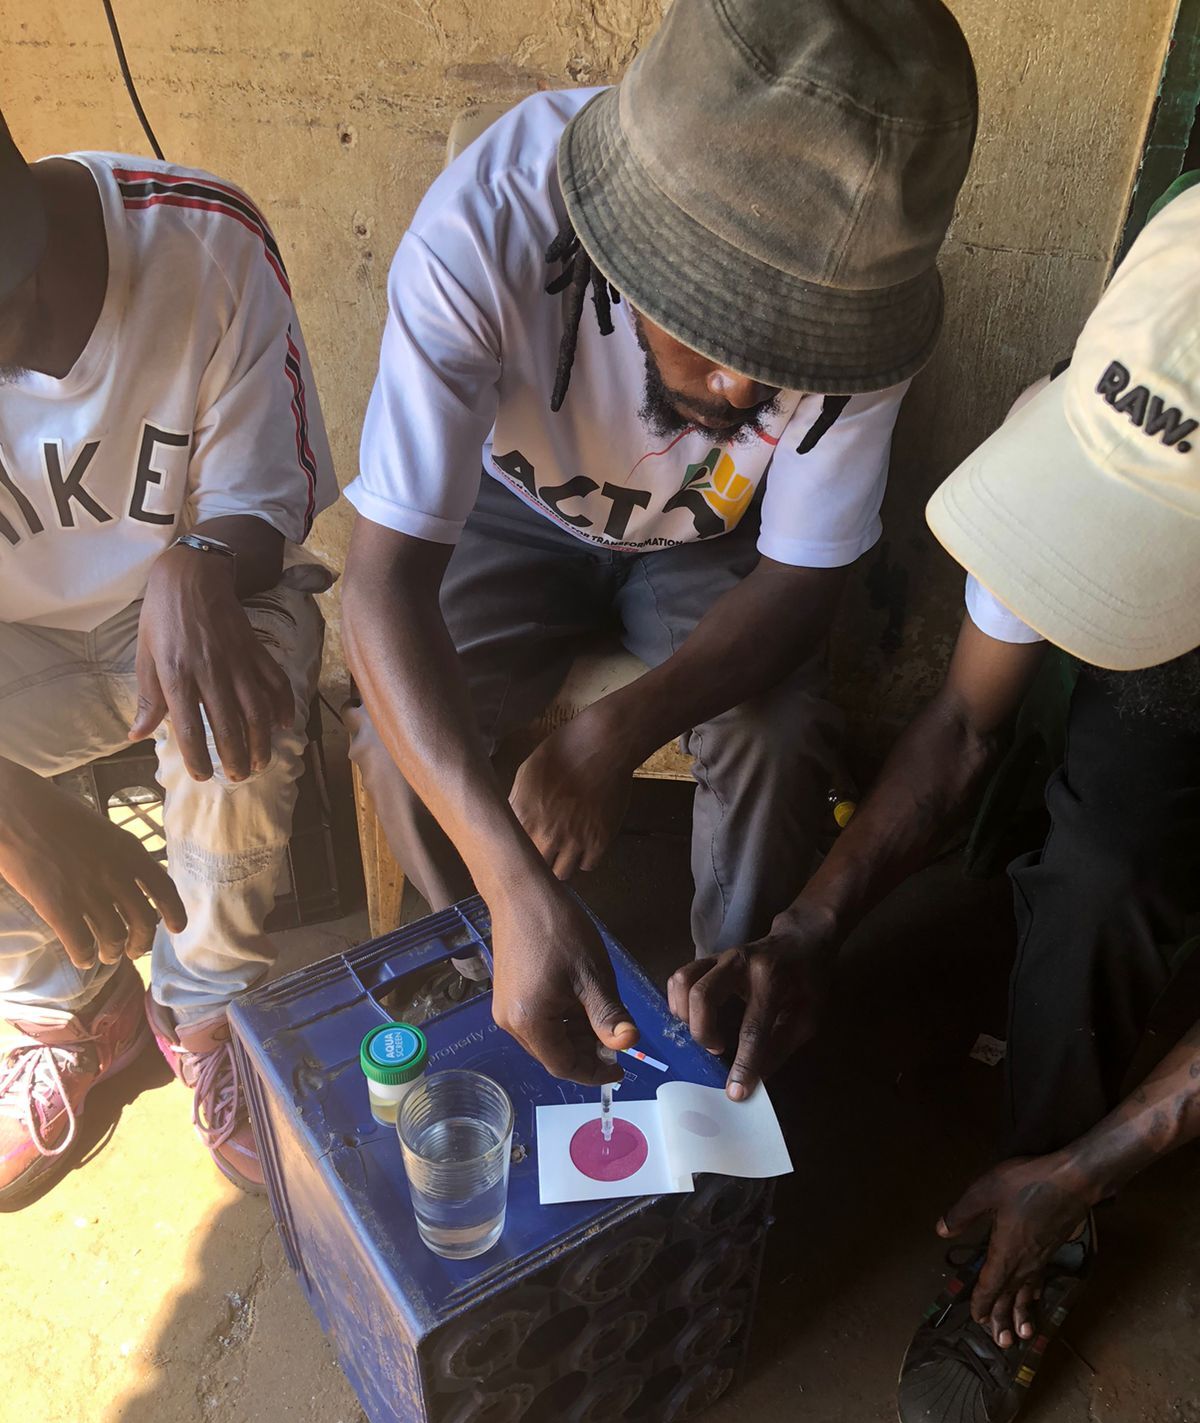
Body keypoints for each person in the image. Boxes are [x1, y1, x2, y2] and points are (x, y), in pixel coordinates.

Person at [342, 0, 977, 1084]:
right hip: (507, 507)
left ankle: (715, 1033)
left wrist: (611, 734)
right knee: (392, 738)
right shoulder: (489, 223)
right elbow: (382, 582)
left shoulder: (869, 294)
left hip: (705, 548)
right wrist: (509, 880)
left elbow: (803, 580)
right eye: (716, 325)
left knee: (779, 733)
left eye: (787, 350)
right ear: (618, 246)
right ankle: (485, 967)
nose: (742, 386)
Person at [669, 176, 1200, 1423]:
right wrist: (807, 928)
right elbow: (965, 725)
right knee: (1102, 866)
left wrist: (1101, 1159)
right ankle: (1034, 1202)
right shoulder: (1116, 389)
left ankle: (1052, 1202)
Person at [0, 115, 335, 1203]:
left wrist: (196, 557)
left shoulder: (198, 236)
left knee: (248, 695)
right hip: (20, 657)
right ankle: (62, 1006)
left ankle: (204, 1010)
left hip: (183, 619)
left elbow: (262, 500)